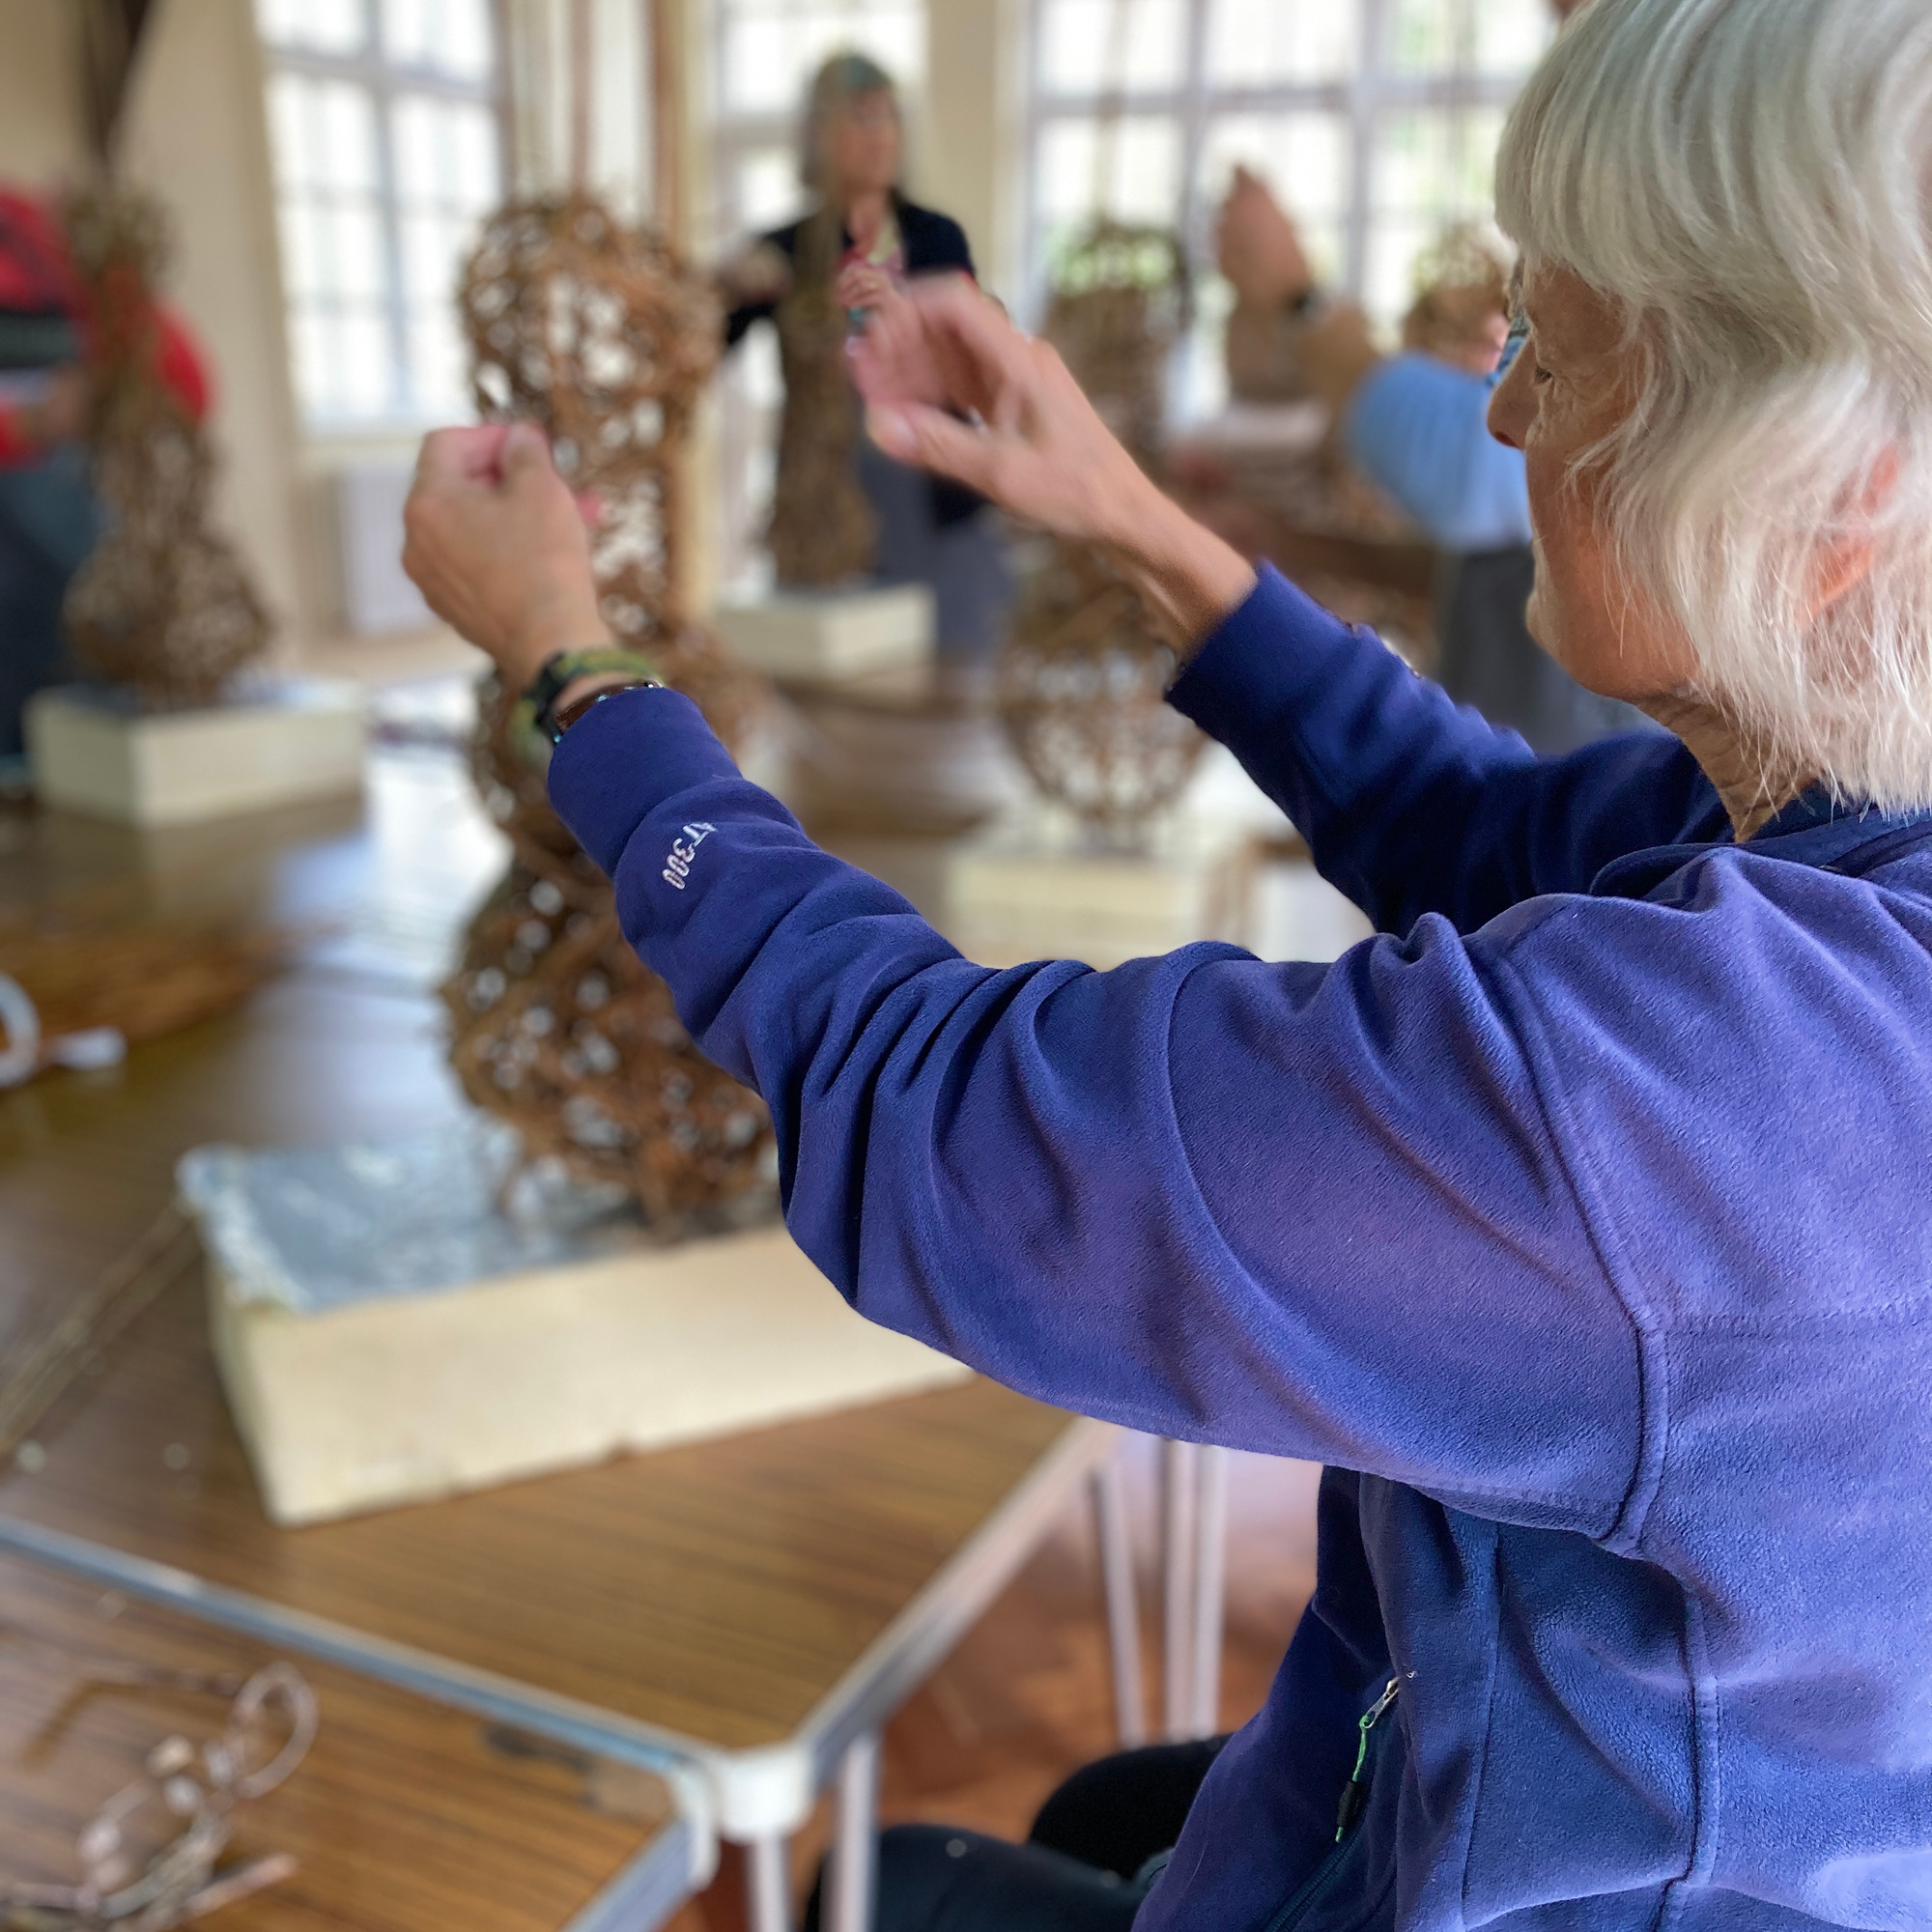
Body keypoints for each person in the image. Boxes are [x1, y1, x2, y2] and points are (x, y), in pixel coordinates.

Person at [403, 0, 1932, 1925]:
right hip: (1449, 1764)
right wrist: (1123, 509)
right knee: (1101, 1807)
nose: (1506, 409)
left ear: (1820, 481)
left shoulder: (1725, 1102)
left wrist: (575, 664)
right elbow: (1482, 832)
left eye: (1554, 344)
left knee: (910, 1877)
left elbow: (948, 1122)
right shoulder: (1837, 874)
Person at [1212, 0, 1636, 755]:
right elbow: (1497, 552)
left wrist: (1296, 298)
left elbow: (1476, 474)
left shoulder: (1662, 171)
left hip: (1594, 785)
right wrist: (1290, 544)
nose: (1556, 22)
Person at [717, 52, 1011, 667]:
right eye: (859, 118)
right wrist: (726, 283)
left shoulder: (934, 238)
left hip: (932, 498)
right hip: (827, 513)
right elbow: (708, 339)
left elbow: (970, 348)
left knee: (951, 677)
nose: (878, 134)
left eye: (887, 118)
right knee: (837, 691)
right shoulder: (786, 247)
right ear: (819, 134)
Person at [0, 188, 209, 760]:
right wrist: (29, 425)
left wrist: (115, 382)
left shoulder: (41, 240)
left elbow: (188, 386)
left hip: (71, 567)